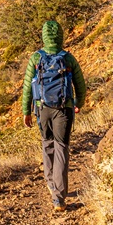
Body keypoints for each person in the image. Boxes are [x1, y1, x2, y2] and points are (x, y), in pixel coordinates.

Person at [21, 20, 86, 212]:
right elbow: (80, 85)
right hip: (63, 109)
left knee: (47, 144)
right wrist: (77, 104)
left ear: (44, 36)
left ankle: (51, 184)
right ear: (60, 36)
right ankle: (59, 198)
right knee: (61, 148)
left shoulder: (36, 58)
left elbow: (27, 88)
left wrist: (26, 111)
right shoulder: (68, 58)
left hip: (43, 109)